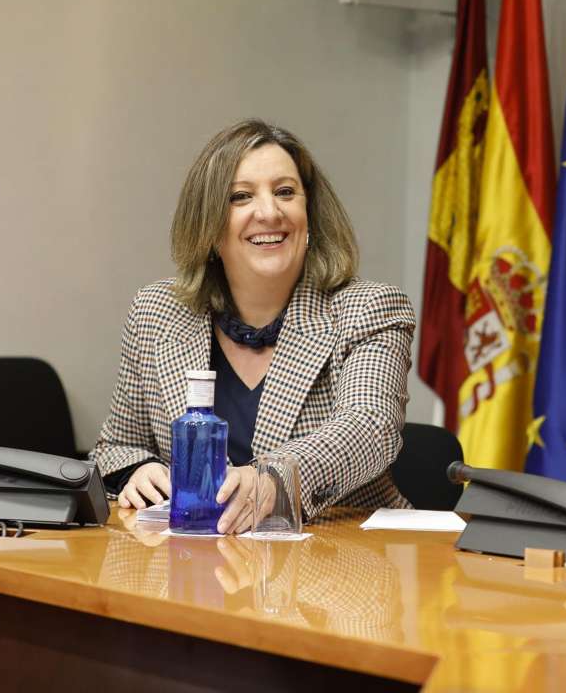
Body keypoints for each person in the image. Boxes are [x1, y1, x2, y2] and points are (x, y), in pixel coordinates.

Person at [90, 119, 415, 533]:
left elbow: (370, 428)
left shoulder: (368, 307)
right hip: (193, 557)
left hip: (339, 550)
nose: (269, 212)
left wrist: (271, 479)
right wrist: (137, 471)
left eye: (285, 192)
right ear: (208, 226)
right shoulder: (157, 312)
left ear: (309, 213)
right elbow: (116, 446)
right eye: (241, 197)